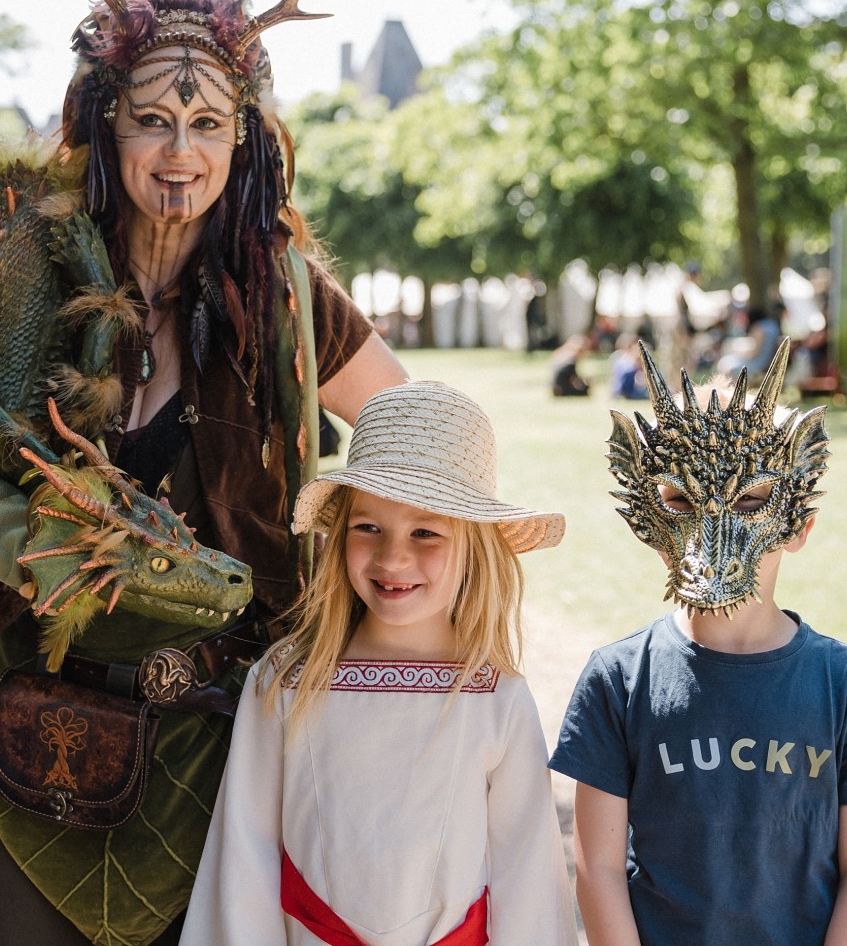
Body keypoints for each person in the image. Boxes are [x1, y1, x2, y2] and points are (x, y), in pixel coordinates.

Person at [0, 0, 406, 944]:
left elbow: (420, 439)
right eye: (153, 121)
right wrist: (54, 545)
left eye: (208, 123)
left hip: (220, 748)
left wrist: (357, 567)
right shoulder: (29, 263)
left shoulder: (280, 290)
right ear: (104, 124)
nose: (181, 152)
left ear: (242, 138)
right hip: (43, 728)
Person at [550, 341, 847, 946]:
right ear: (647, 516)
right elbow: (598, 870)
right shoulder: (617, 680)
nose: (712, 528)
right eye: (680, 500)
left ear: (799, 524)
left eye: (751, 499)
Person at [181, 381, 575, 945]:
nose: (393, 558)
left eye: (425, 532)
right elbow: (243, 860)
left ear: (474, 545)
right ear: (339, 532)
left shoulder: (495, 696)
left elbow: (529, 884)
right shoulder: (287, 681)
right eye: (368, 527)